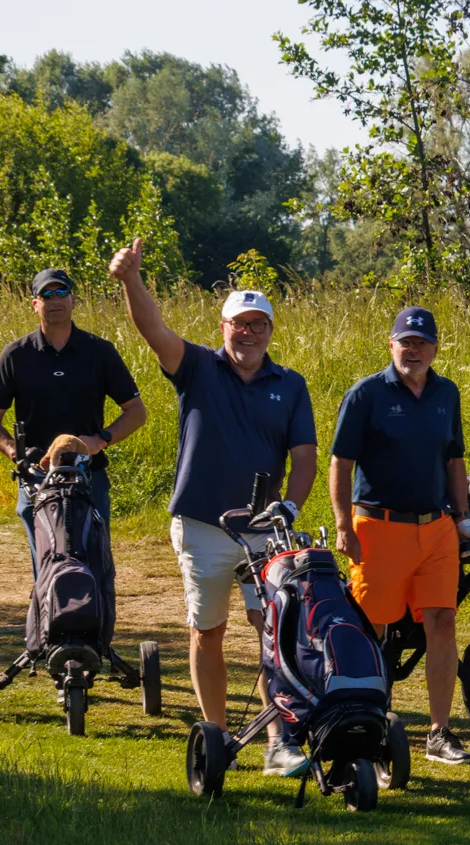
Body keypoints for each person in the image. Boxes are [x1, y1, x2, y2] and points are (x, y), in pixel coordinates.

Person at [107, 237, 318, 774]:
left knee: (273, 627)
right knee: (208, 631)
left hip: (264, 531)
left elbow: (305, 459)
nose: (247, 333)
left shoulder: (290, 385)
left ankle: (278, 742)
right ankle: (219, 736)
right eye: (238, 324)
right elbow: (153, 331)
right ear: (222, 327)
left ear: (270, 331)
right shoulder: (197, 367)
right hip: (202, 524)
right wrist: (132, 279)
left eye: (258, 325)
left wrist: (289, 508)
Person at [329, 306, 470, 767]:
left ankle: (439, 732)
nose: (413, 350)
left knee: (442, 623)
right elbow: (341, 464)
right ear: (391, 344)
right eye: (405, 342)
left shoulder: (446, 393)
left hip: (435, 529)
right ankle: (368, 727)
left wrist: (463, 517)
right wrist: (341, 524)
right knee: (370, 632)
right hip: (377, 527)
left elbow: (454, 460)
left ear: (435, 347)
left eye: (422, 343)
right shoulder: (366, 394)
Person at [0, 267, 145, 568]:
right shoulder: (16, 354)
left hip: (87, 474)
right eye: (46, 294)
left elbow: (136, 412)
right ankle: (49, 614)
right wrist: (16, 452)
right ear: (35, 304)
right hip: (36, 477)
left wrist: (102, 439)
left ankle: (99, 615)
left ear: (73, 300)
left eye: (61, 292)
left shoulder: (99, 351)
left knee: (95, 561)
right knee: (46, 564)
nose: (54, 300)